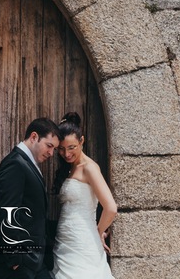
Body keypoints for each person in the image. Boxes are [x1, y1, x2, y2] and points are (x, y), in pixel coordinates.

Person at [0, 118, 60, 279]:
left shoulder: (27, 164)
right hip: (18, 263)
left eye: (54, 149)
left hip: (34, 261)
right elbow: (7, 212)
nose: (51, 153)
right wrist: (15, 261)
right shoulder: (15, 164)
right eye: (49, 146)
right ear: (33, 137)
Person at [52, 112, 116, 279]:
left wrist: (98, 231)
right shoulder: (69, 168)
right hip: (65, 239)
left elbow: (110, 208)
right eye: (61, 149)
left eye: (71, 147)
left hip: (83, 240)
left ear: (81, 141)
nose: (66, 154)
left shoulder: (90, 168)